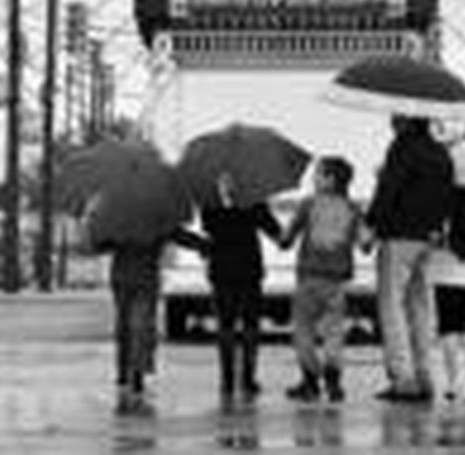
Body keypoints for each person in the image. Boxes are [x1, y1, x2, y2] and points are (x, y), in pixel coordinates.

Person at [365, 114, 454, 402]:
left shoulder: (402, 148)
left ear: (407, 120)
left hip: (399, 236)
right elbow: (447, 197)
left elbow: (388, 190)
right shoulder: (441, 153)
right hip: (427, 239)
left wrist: (372, 223)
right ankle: (425, 375)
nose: (391, 121)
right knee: (420, 308)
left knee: (392, 307)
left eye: (396, 117)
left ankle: (403, 378)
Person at [85, 196, 204, 408]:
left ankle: (131, 373)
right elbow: (179, 236)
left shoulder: (132, 219)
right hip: (134, 279)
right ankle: (128, 371)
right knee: (133, 325)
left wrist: (204, 246)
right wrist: (205, 246)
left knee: (133, 325)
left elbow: (100, 245)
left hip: (134, 278)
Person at [278, 155, 367, 403]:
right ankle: (333, 377)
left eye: (318, 174)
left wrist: (282, 240)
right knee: (334, 332)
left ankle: (310, 380)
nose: (313, 179)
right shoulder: (352, 208)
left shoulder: (308, 205)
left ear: (330, 180)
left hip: (308, 279)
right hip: (336, 283)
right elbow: (366, 243)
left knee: (303, 331)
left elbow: (286, 239)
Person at [199, 171, 283, 399]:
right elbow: (274, 231)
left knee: (240, 326)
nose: (228, 184)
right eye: (225, 179)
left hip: (233, 271)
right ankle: (236, 379)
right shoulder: (251, 203)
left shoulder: (212, 205)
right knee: (237, 326)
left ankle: (240, 379)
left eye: (230, 179)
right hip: (239, 271)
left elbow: (273, 230)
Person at [428, 183, 465, 401]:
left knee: (448, 332)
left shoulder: (445, 222)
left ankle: (453, 383)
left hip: (445, 279)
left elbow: (433, 243)